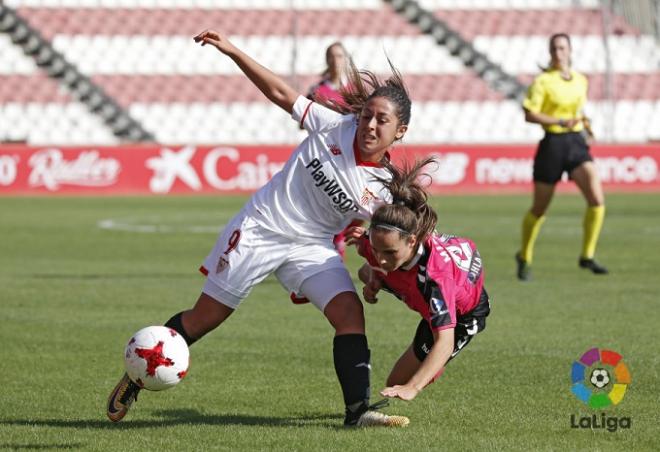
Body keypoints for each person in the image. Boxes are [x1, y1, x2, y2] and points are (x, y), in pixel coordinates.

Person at [106, 29, 412, 428]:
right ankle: (136, 377)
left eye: (381, 120)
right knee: (204, 318)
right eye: (367, 115)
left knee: (349, 314)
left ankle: (357, 413)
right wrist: (233, 50)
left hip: (312, 247)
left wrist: (373, 267)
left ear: (399, 132)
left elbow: (383, 240)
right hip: (262, 227)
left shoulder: (384, 188)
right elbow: (283, 94)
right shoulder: (333, 126)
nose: (369, 124)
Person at [347, 158, 491, 403]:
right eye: (376, 249)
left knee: (400, 382)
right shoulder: (380, 242)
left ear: (412, 241)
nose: (380, 259)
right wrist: (374, 280)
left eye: (389, 253)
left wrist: (412, 388)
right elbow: (366, 269)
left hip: (462, 315)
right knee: (397, 383)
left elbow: (444, 343)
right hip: (417, 286)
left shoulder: (436, 280)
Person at [516, 32, 608, 281]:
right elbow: (529, 114)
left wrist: (586, 127)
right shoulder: (543, 81)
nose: (559, 53)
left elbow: (578, 110)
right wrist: (559, 121)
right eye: (554, 49)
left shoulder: (580, 80)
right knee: (539, 208)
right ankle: (524, 255)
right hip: (553, 143)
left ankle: (587, 256)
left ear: (570, 51)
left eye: (562, 48)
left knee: (597, 199)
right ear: (550, 53)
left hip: (576, 142)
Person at [304, 41, 361, 261]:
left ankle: (339, 238)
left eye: (339, 56)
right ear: (327, 60)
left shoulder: (355, 91)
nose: (336, 60)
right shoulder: (317, 90)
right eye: (332, 56)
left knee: (356, 201)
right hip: (323, 155)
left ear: (346, 59)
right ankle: (329, 245)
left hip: (348, 155)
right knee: (327, 203)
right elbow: (305, 121)